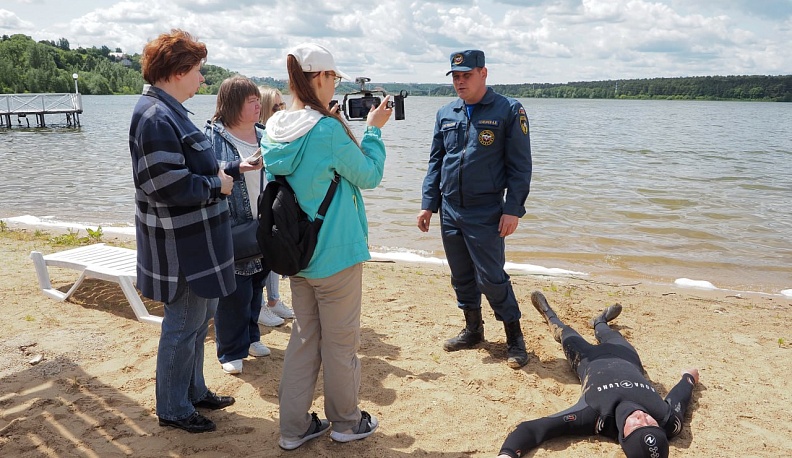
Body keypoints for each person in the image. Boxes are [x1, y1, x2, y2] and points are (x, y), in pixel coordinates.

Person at [259, 42, 392, 450]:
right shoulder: (327, 129)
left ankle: (293, 428)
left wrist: (333, 126)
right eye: (333, 77)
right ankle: (346, 423)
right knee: (340, 344)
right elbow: (368, 176)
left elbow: (308, 171)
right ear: (318, 77)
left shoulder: (277, 127)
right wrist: (373, 131)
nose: (334, 84)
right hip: (335, 254)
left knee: (303, 340)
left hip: (297, 254)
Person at [129, 30, 258, 433]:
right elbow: (166, 184)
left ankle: (194, 391)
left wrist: (234, 170)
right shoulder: (154, 116)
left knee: (199, 323)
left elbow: (193, 167)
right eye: (198, 71)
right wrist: (216, 186)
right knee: (182, 326)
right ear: (178, 70)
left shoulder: (170, 111)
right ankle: (172, 408)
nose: (202, 79)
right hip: (181, 245)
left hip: (198, 239)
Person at [417, 49, 533, 368]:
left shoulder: (508, 110)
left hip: (487, 211)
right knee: (462, 275)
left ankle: (514, 338)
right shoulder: (446, 113)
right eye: (455, 76)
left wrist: (513, 209)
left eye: (466, 75)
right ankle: (473, 330)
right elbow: (436, 162)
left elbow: (520, 167)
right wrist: (428, 205)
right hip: (451, 209)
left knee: (492, 277)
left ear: (484, 73)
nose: (460, 81)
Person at [498, 291, 699, 458]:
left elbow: (533, 429)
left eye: (637, 426)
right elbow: (685, 389)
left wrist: (507, 455)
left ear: (623, 437)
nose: (642, 417)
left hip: (586, 359)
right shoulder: (668, 420)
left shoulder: (593, 416)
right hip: (626, 356)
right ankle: (600, 321)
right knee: (608, 333)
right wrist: (690, 376)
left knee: (566, 333)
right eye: (651, 423)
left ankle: (549, 313)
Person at [205, 76, 272, 375]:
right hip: (232, 224)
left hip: (264, 222)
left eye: (258, 99)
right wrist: (238, 167)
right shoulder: (213, 135)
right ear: (233, 104)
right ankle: (230, 349)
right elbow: (205, 171)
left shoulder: (265, 134)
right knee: (235, 290)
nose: (258, 105)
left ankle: (251, 337)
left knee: (257, 281)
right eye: (250, 101)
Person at [255, 85, 295, 328]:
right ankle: (260, 305)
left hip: (273, 200)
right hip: (261, 201)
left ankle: (273, 300)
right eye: (275, 107)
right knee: (260, 256)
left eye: (283, 105)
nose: (281, 110)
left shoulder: (278, 136)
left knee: (273, 253)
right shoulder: (259, 136)